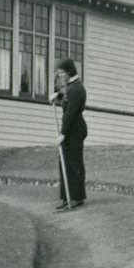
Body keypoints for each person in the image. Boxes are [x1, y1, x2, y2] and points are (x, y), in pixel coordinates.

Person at [52, 58, 88, 210]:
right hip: (70, 129)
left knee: (73, 162)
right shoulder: (71, 86)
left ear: (69, 72)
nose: (60, 76)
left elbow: (71, 112)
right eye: (59, 73)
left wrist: (63, 133)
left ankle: (77, 197)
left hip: (75, 129)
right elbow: (66, 98)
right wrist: (58, 97)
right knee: (65, 162)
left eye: (62, 73)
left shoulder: (78, 88)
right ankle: (67, 197)